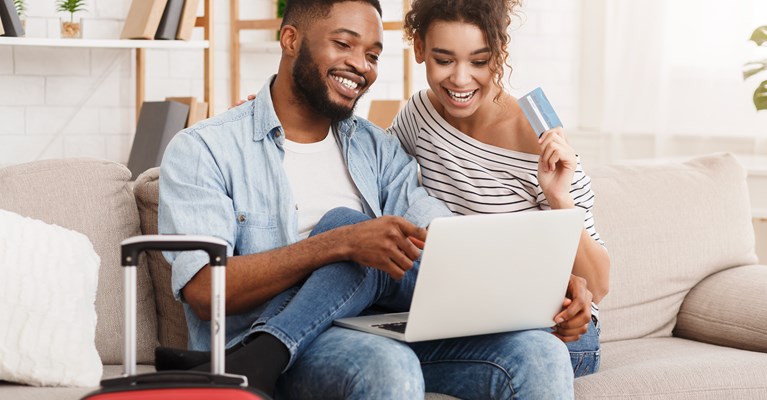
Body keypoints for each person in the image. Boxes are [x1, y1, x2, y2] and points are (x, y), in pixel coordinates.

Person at [159, 0, 579, 398]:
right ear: (290, 40)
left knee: (539, 354)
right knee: (352, 247)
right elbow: (203, 291)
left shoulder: (378, 149)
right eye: (343, 44)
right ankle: (263, 348)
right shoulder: (205, 149)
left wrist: (544, 282)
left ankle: (258, 358)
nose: (360, 65)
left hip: (377, 325)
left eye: (373, 55)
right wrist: (337, 243)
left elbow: (440, 234)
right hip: (313, 346)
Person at [388, 0, 611, 376]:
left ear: (499, 54)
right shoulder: (419, 116)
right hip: (468, 315)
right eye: (444, 60)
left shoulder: (535, 137)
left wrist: (559, 197)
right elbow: (371, 168)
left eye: (479, 61)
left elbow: (599, 285)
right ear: (421, 49)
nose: (460, 80)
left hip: (557, 331)